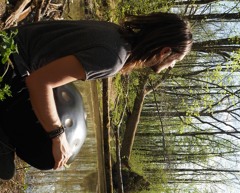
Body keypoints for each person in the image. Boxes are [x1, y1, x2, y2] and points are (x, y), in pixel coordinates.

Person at [0, 12, 193, 180]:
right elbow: (38, 82)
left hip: (9, 52)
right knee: (11, 168)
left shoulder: (115, 33)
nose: (172, 65)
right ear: (165, 51)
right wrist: (57, 136)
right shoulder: (113, 58)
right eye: (175, 60)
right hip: (7, 66)